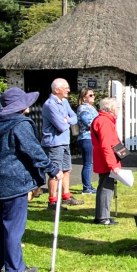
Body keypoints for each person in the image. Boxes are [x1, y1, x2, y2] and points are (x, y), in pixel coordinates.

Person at [0, 87, 58, 272]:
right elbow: (33, 150)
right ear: (20, 106)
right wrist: (52, 168)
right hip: (14, 180)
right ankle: (14, 269)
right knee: (13, 227)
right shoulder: (20, 124)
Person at [41, 78, 83, 207]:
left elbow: (75, 117)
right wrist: (66, 121)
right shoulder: (50, 104)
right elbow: (61, 126)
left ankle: (66, 196)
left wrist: (67, 120)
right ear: (57, 89)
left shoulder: (64, 102)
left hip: (64, 142)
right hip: (54, 144)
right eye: (66, 88)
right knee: (55, 172)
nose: (68, 90)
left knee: (66, 170)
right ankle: (52, 201)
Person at [91, 96, 123, 226]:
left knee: (106, 186)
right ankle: (103, 217)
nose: (119, 109)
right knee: (106, 187)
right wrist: (112, 165)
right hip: (105, 159)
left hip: (104, 158)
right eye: (117, 107)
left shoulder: (104, 120)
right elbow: (106, 145)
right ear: (110, 108)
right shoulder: (104, 121)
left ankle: (103, 215)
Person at [76, 89, 98, 195]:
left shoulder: (91, 108)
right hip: (86, 138)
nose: (93, 96)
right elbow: (89, 122)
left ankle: (88, 186)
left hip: (91, 138)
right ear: (84, 97)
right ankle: (86, 188)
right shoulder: (83, 108)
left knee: (90, 163)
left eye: (93, 95)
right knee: (88, 163)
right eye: (90, 95)